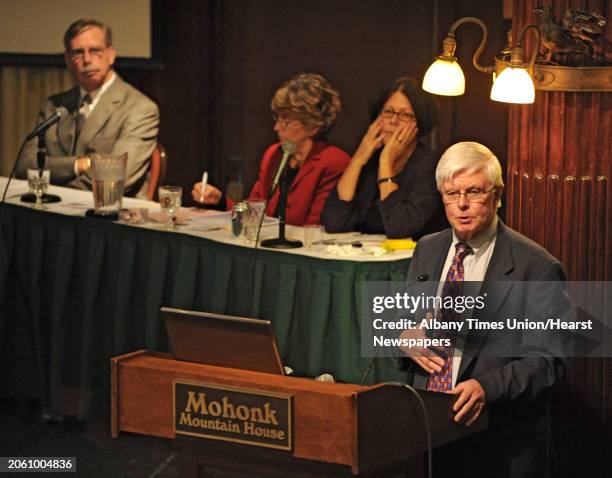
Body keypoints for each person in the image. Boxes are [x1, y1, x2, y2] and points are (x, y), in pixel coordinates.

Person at [398, 142, 567, 478]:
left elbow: (549, 363)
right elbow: (409, 321)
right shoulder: (427, 250)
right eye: (451, 193)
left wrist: (486, 389)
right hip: (430, 438)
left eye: (474, 191)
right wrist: (405, 337)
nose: (461, 204)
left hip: (497, 444)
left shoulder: (537, 267)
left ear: (497, 194)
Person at [16, 19, 159, 198]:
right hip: (51, 212)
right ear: (67, 60)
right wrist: (78, 164)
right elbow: (24, 166)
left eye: (95, 51)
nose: (87, 59)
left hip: (110, 217)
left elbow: (114, 178)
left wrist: (52, 187)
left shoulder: (140, 108)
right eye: (78, 53)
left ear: (111, 55)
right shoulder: (54, 105)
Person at [191, 72, 350, 226]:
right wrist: (220, 201)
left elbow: (316, 228)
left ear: (313, 125)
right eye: (277, 119)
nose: (276, 127)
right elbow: (253, 213)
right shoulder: (273, 154)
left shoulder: (333, 162)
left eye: (285, 122)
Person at [321, 76, 447, 239]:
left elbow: (400, 228)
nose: (393, 121)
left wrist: (386, 163)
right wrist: (358, 159)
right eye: (388, 112)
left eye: (405, 115)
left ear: (419, 124)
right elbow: (334, 223)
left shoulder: (430, 166)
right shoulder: (369, 160)